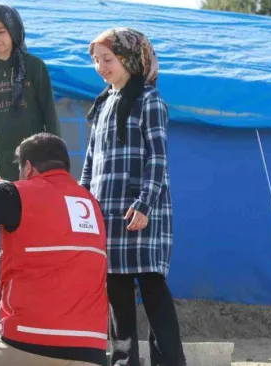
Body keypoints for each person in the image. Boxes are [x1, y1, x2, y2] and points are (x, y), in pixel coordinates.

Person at [0, 133, 108, 366]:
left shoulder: (15, 195)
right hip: (92, 349)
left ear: (28, 168)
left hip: (28, 339)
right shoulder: (92, 204)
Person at [81, 28, 186, 366]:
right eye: (96, 60)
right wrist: (83, 204)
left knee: (153, 288)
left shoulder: (150, 100)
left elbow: (157, 158)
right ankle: (124, 362)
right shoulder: (102, 105)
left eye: (107, 59)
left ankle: (170, 361)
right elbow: (90, 162)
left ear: (129, 59)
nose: (101, 67)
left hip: (142, 212)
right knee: (116, 292)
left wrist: (144, 203)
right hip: (106, 213)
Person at [0, 3, 61, 321]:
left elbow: (50, 119)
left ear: (15, 31)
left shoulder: (34, 68)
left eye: (1, 31)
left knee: (28, 237)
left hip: (30, 171)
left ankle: (31, 304)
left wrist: (55, 168)